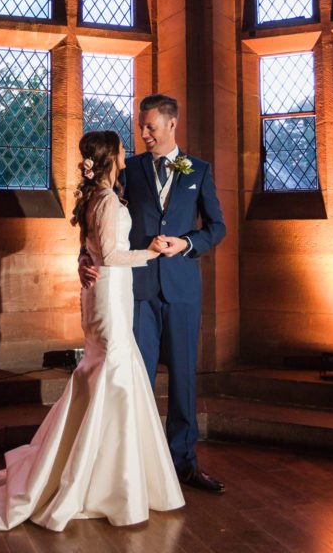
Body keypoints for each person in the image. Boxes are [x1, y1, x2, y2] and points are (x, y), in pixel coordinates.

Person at [0, 130, 185, 531]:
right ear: (110, 158)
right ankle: (102, 481)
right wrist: (151, 254)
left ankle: (106, 471)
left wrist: (87, 258)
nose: (127, 153)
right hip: (108, 294)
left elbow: (91, 249)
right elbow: (111, 254)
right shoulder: (103, 200)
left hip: (108, 292)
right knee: (113, 372)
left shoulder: (101, 197)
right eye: (121, 149)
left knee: (107, 372)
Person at [80, 94, 227, 492]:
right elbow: (96, 214)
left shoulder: (198, 169)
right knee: (137, 379)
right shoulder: (130, 168)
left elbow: (217, 227)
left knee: (182, 380)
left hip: (181, 289)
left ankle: (183, 464)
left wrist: (187, 243)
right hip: (138, 291)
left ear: (171, 124)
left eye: (150, 126)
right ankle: (137, 466)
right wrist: (84, 255)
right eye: (141, 126)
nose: (143, 133)